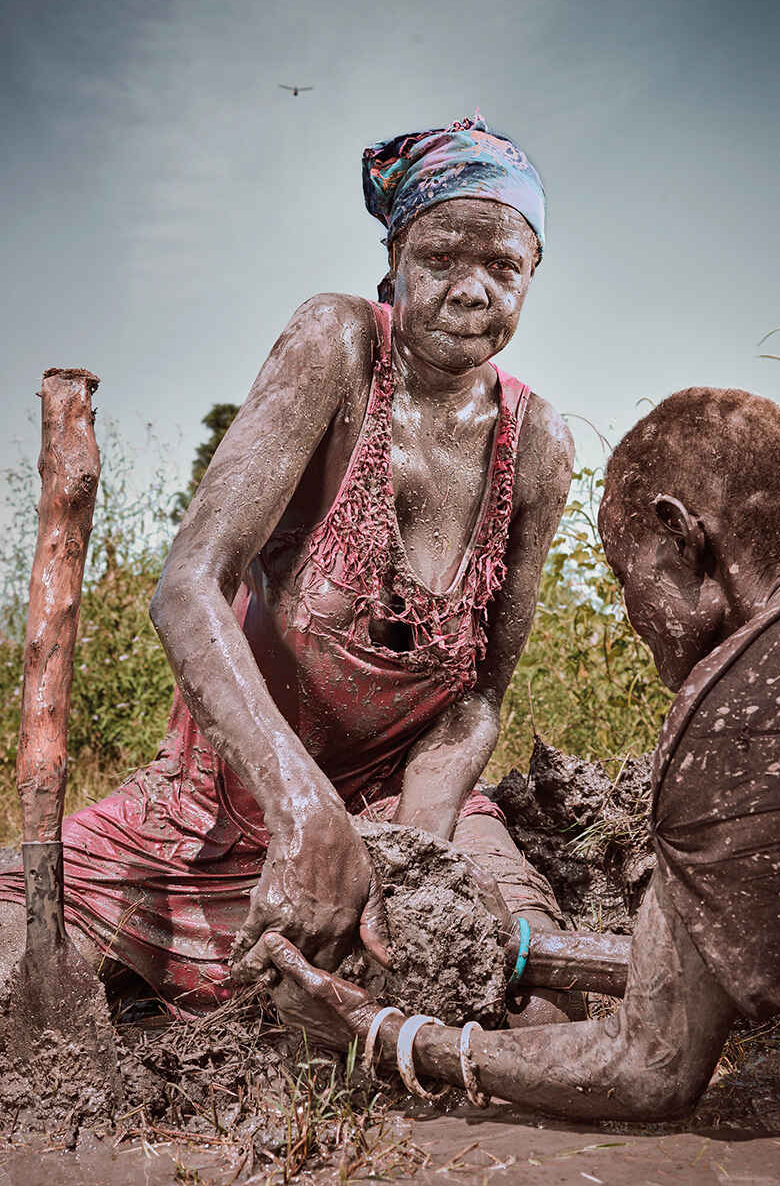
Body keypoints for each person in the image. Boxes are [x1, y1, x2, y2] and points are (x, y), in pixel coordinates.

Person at [0, 115, 576, 1020]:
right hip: (209, 810)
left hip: (402, 805)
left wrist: (413, 853)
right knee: (13, 951)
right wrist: (300, 808)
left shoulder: (537, 445)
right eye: (440, 262)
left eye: (503, 268)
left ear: (532, 276)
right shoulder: (339, 348)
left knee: (526, 988)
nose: (472, 292)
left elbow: (479, 701)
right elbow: (186, 586)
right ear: (394, 264)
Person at [260, 387, 780, 1121]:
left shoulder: (736, 711)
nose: (628, 612)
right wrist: (516, 952)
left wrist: (392, 1034)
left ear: (680, 537)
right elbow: (699, 980)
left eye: (621, 574)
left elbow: (648, 1067)